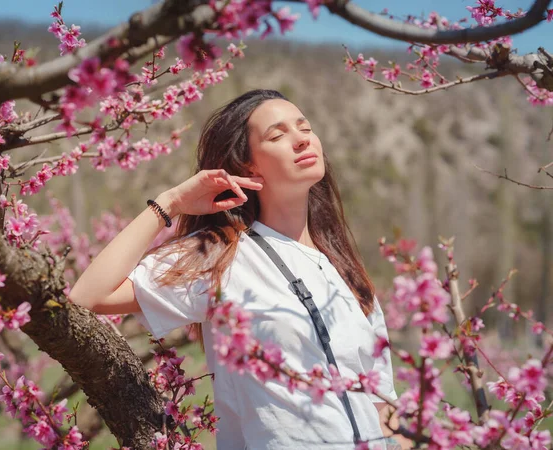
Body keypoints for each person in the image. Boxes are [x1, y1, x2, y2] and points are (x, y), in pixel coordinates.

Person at [69, 89, 410, 450]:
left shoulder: (347, 272)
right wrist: (170, 204)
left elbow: (381, 404)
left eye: (305, 128)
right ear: (248, 165)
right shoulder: (220, 254)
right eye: (278, 135)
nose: (300, 140)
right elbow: (88, 296)